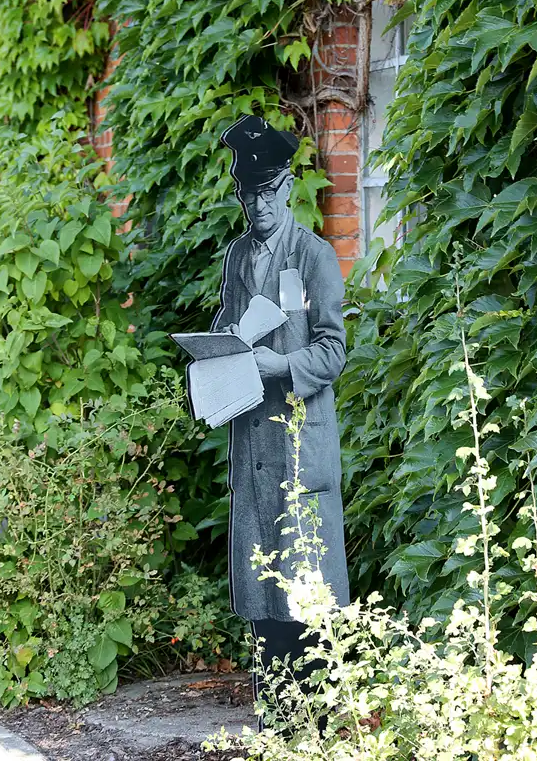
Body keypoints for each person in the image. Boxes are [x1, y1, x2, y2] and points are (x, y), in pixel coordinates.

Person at [211, 114, 349, 725]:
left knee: (305, 572)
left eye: (268, 191)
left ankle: (314, 721)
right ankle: (276, 714)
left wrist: (277, 366)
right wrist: (215, 348)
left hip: (300, 438)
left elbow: (333, 349)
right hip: (253, 440)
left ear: (287, 187)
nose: (258, 204)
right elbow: (228, 323)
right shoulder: (239, 256)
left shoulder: (313, 255)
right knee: (262, 576)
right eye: (248, 193)